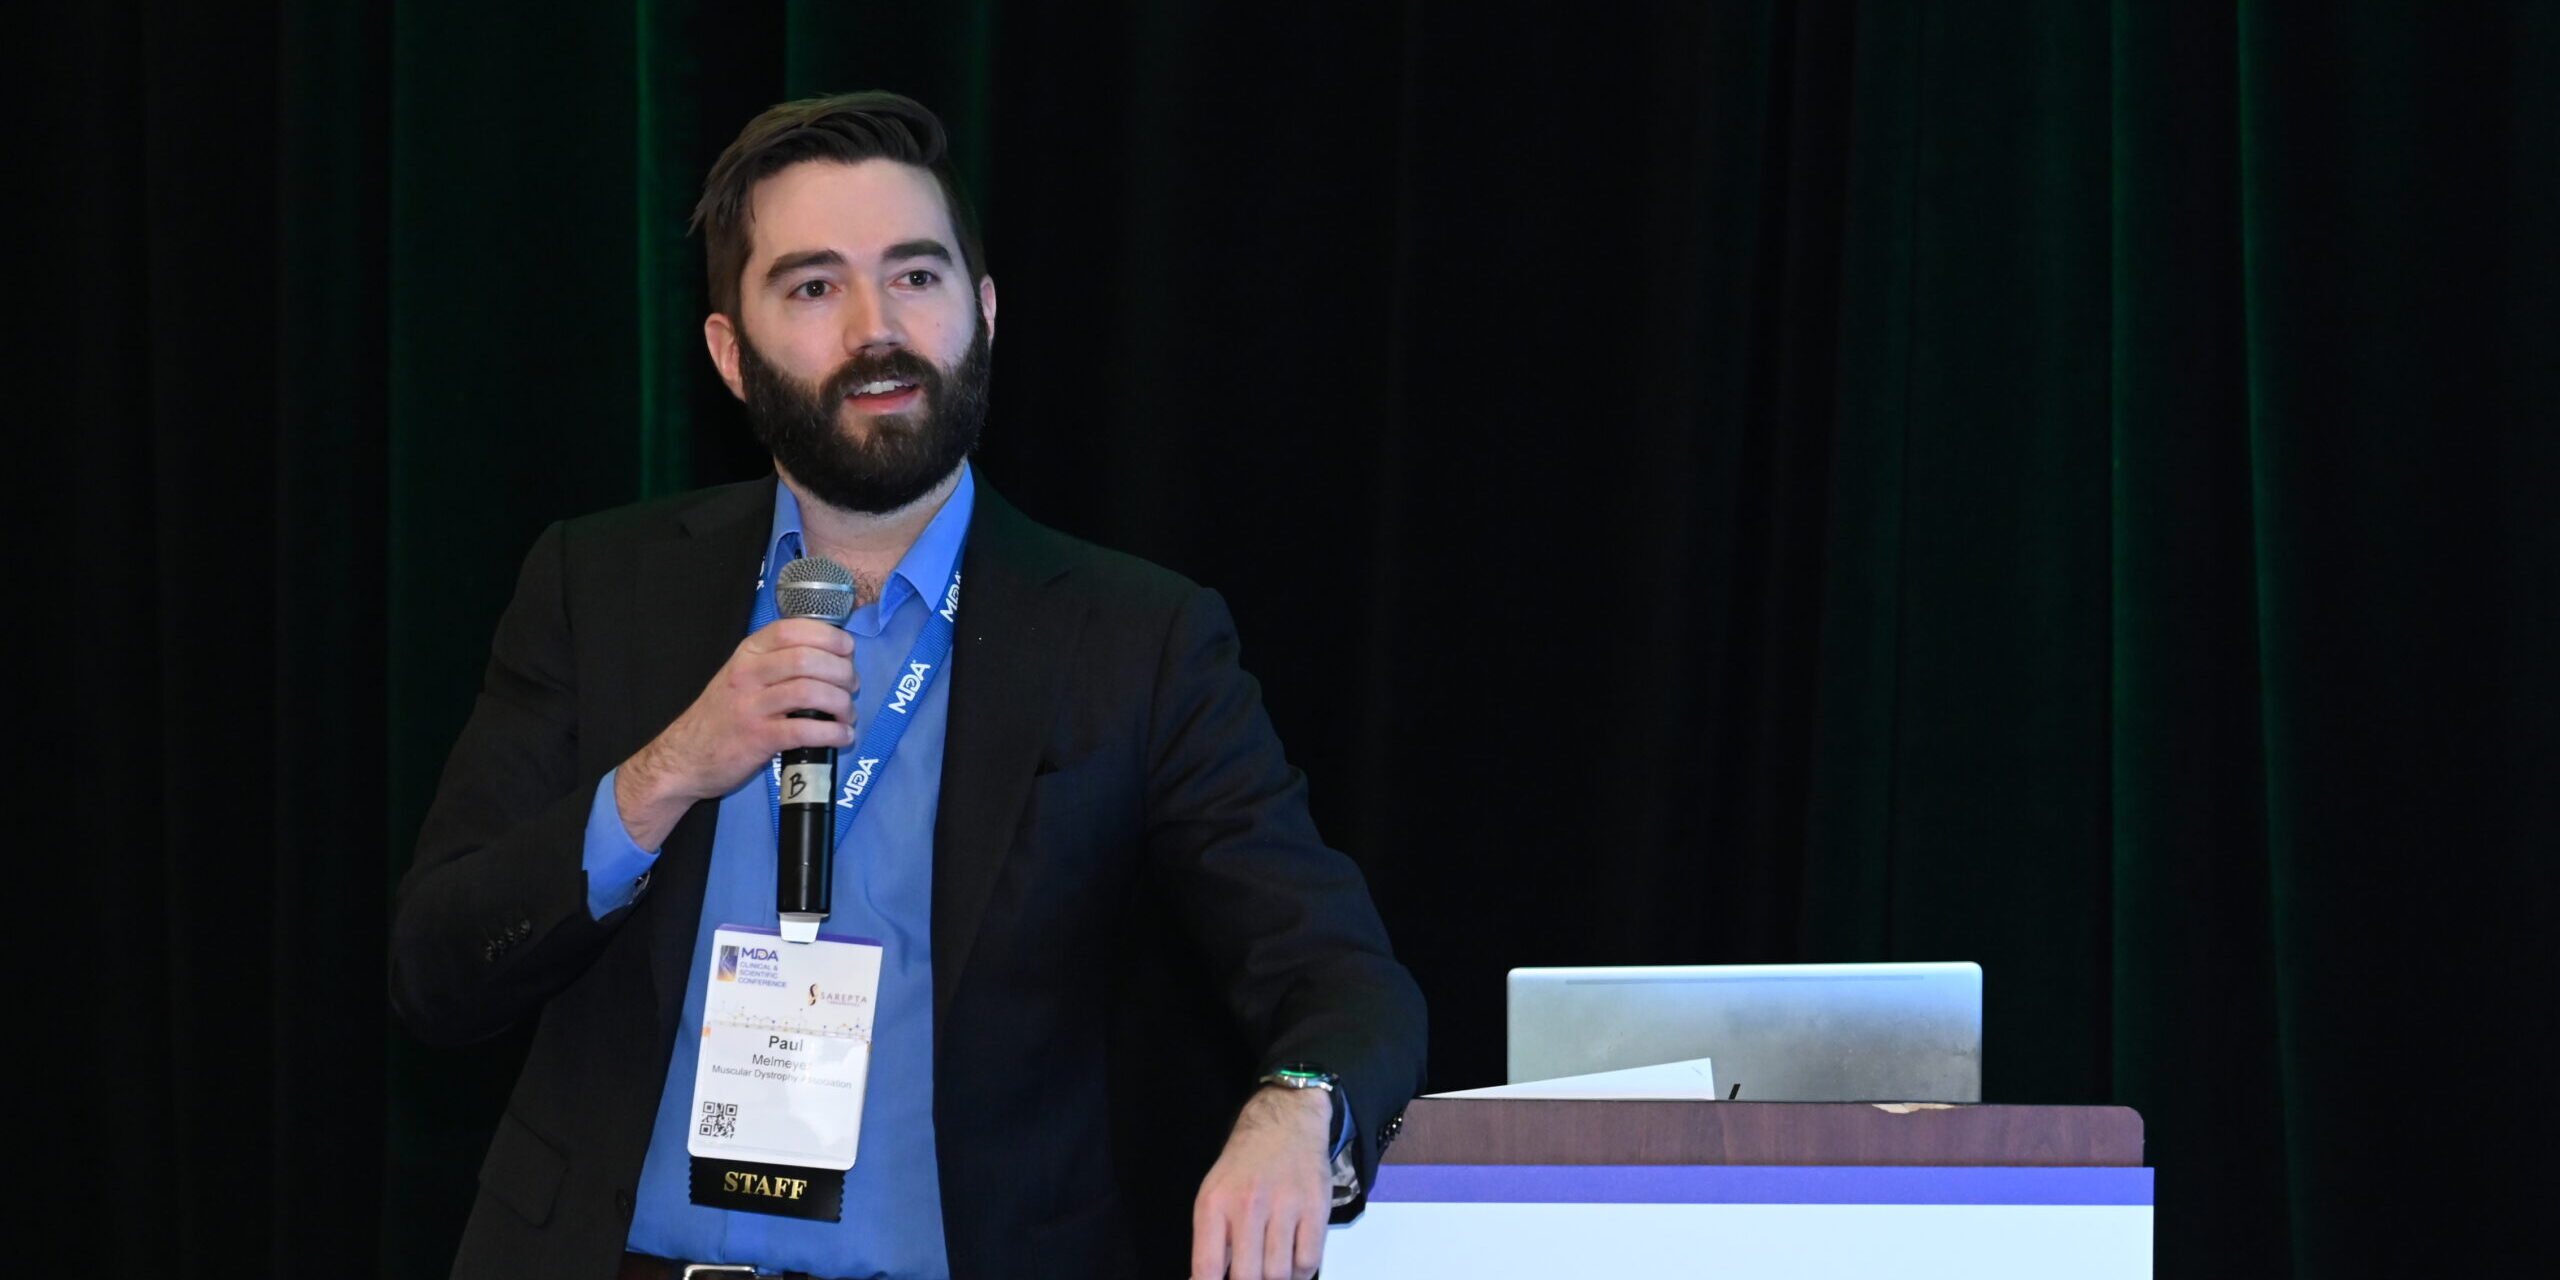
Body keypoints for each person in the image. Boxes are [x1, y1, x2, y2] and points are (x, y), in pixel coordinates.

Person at [390, 91, 1426, 1280]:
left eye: (917, 276)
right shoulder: (599, 585)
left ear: (982, 313)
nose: (878, 329)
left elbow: (1342, 977)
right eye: (815, 286)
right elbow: (439, 967)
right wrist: (667, 771)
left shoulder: (1132, 637)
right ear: (731, 352)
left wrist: (1295, 1103)